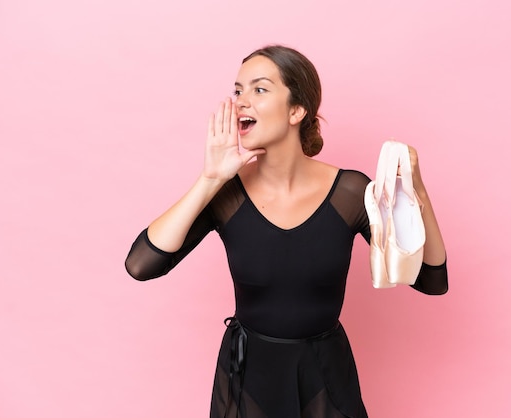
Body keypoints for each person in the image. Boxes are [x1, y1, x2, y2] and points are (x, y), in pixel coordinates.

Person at [125, 45, 448, 418]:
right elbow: (141, 265)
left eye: (259, 89)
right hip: (247, 381)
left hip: (325, 377)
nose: (241, 102)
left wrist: (417, 192)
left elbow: (430, 279)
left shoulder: (351, 193)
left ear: (297, 110)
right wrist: (210, 179)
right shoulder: (226, 193)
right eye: (237, 90)